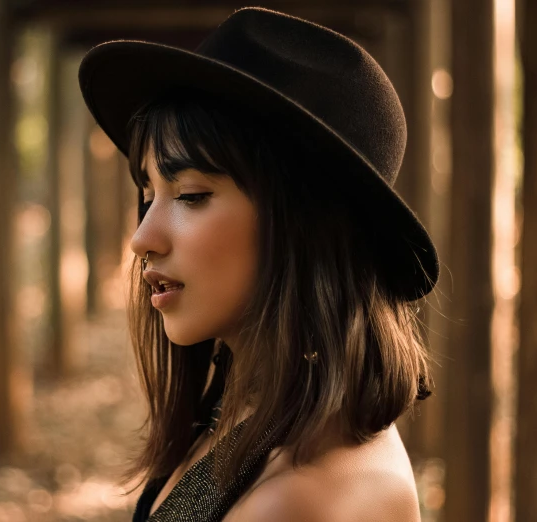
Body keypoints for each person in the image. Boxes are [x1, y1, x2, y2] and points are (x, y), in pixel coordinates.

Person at [78, 6, 439, 522]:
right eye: (148, 193)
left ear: (304, 228)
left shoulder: (298, 499)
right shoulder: (257, 412)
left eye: (191, 195)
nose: (142, 239)